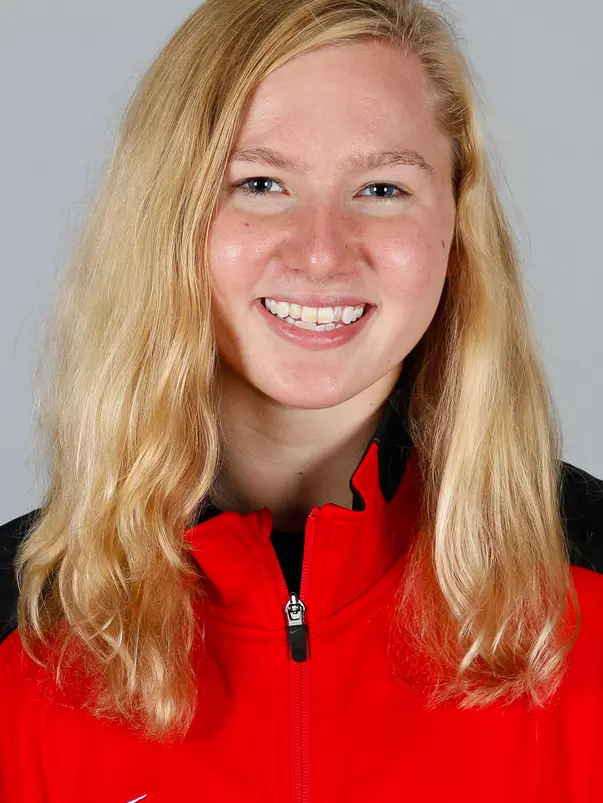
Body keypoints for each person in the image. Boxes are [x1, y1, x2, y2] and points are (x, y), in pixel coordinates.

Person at [1, 0, 602, 800]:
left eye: (382, 187)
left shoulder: (589, 583)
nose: (321, 252)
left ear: (456, 231)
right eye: (259, 182)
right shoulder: (21, 631)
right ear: (163, 222)